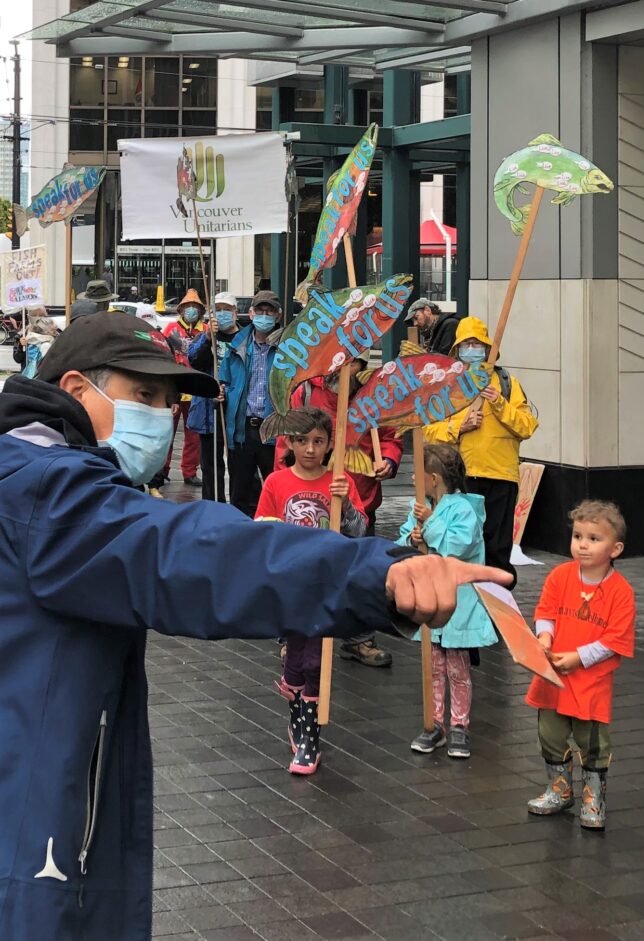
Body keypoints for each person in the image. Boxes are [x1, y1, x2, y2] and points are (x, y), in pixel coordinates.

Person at [0, 309, 510, 940]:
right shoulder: (45, 491)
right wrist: (372, 575)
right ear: (77, 391)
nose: (160, 418)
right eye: (143, 396)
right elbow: (191, 554)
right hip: (28, 844)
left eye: (167, 402)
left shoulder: (30, 476)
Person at [256, 406, 368, 775]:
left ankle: (310, 736)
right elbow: (263, 530)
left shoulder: (340, 482)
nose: (309, 449)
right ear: (289, 442)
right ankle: (296, 711)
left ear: (328, 445)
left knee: (317, 661)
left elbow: (359, 531)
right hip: (291, 584)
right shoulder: (276, 483)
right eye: (302, 441)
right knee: (294, 659)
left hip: (327, 584)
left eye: (318, 441)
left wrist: (346, 503)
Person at [274, 358, 403, 668]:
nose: (343, 366)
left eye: (352, 360)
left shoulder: (375, 393)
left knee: (360, 575)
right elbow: (287, 438)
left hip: (358, 496)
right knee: (302, 573)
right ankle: (295, 637)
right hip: (308, 501)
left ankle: (359, 639)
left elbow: (390, 436)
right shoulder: (305, 390)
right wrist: (284, 481)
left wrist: (388, 460)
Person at [525, 500, 635, 830]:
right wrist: (544, 640)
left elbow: (616, 638)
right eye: (577, 536)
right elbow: (545, 612)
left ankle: (593, 795)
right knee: (550, 734)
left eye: (593, 539)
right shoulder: (560, 576)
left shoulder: (621, 591)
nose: (582, 545)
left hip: (591, 681)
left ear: (615, 549)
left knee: (593, 742)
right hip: (554, 675)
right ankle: (560, 790)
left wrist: (579, 657)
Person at [397, 444, 497, 759]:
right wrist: (410, 540)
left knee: (457, 666)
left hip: (456, 604)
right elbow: (403, 540)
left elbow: (459, 545)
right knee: (433, 666)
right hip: (430, 601)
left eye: (418, 474)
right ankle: (434, 723)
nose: (413, 478)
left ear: (435, 478)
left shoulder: (463, 509)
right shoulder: (420, 505)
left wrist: (431, 524)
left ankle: (459, 726)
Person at [424, 316, 538, 586]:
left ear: (488, 349)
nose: (472, 348)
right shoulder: (447, 385)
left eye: (477, 343)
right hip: (458, 477)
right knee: (460, 546)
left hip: (500, 476)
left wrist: (499, 403)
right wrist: (458, 427)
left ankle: (499, 607)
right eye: (466, 343)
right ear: (457, 350)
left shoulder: (507, 383)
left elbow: (526, 426)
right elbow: (427, 430)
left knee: (497, 550)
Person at [221, 289, 282, 518]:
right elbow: (225, 379)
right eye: (260, 310)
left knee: (275, 490)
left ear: (278, 315)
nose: (264, 315)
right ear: (251, 313)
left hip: (274, 428)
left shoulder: (287, 346)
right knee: (240, 493)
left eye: (269, 311)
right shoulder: (237, 345)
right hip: (243, 428)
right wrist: (222, 391)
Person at [187, 291, 239, 502]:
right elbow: (194, 360)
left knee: (239, 466)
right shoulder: (205, 337)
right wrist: (208, 339)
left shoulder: (245, 339)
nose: (223, 314)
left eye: (228, 309)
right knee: (211, 466)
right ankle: (213, 506)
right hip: (209, 412)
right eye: (219, 309)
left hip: (236, 410)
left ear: (236, 313)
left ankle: (240, 508)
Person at [158, 289, 206, 489]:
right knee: (166, 433)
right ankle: (162, 469)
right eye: (188, 307)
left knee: (193, 435)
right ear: (181, 309)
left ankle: (189, 471)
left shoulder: (204, 331)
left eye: (195, 307)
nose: (191, 310)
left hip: (194, 388)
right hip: (174, 388)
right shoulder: (171, 329)